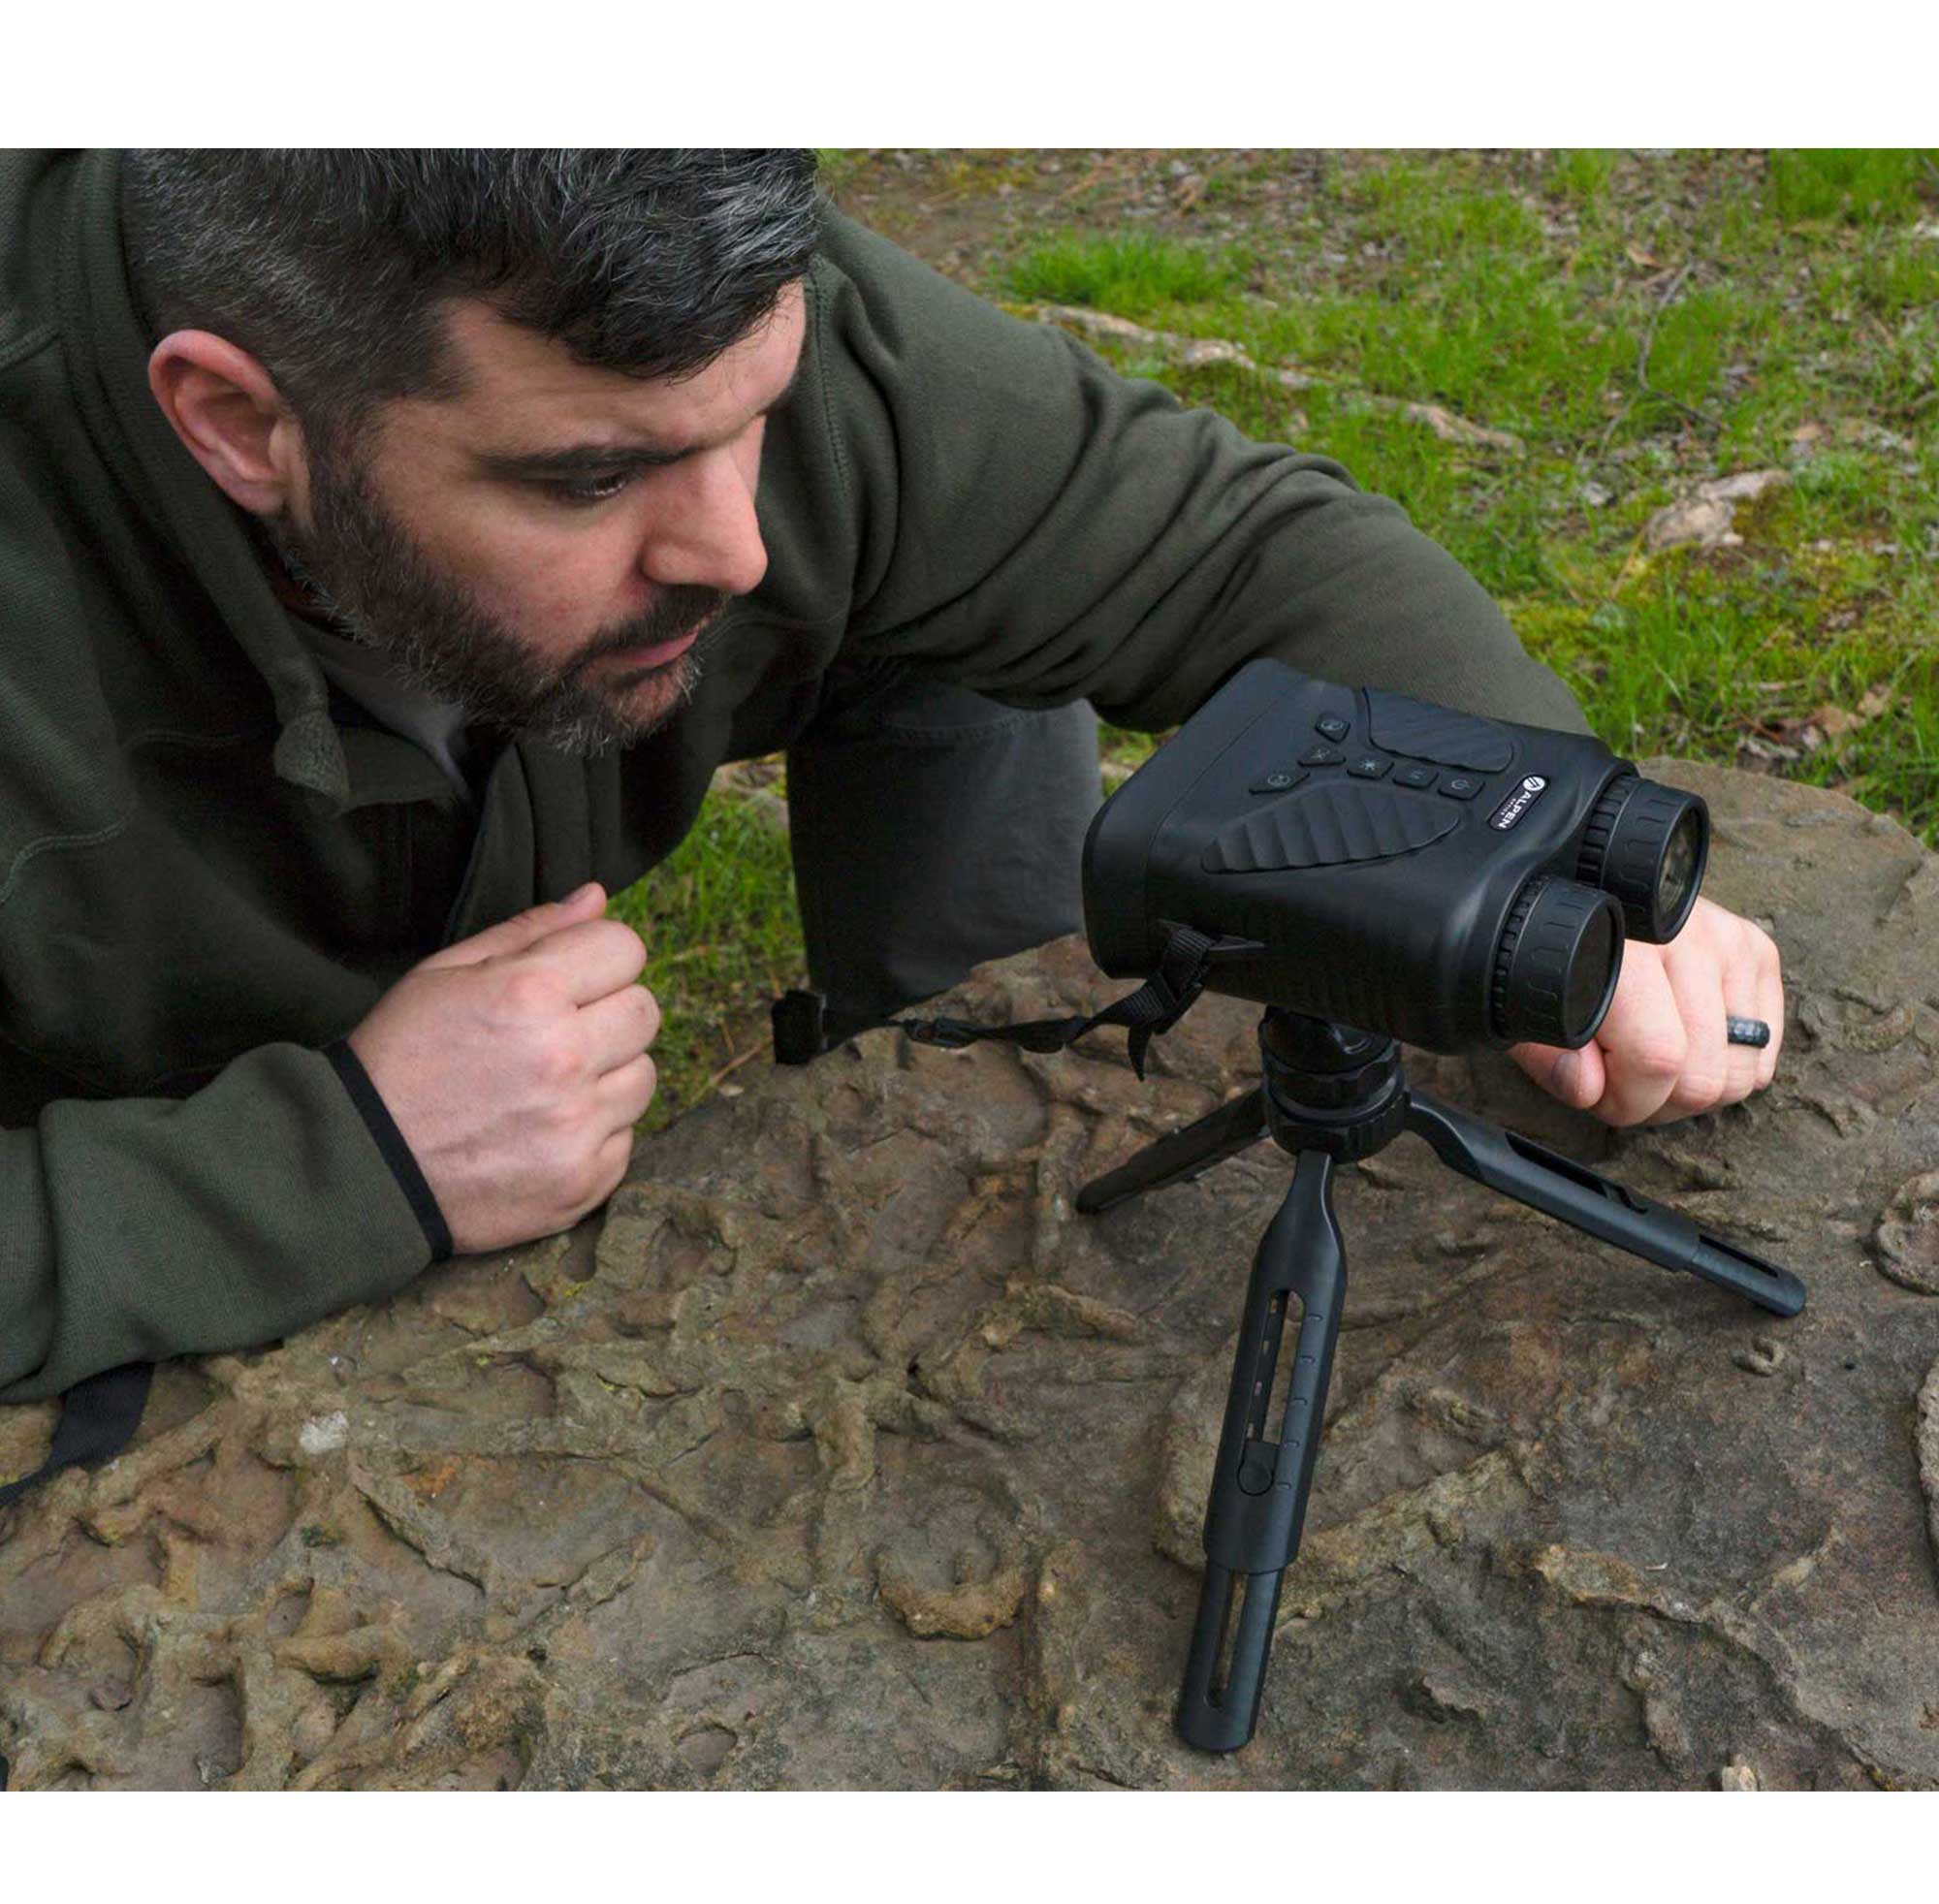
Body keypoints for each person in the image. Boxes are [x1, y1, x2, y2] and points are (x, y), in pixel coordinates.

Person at [0, 149, 1783, 1445]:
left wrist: (1529, 826)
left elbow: (1237, 551)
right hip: (149, 1138)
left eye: (757, 410)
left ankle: (953, 1078)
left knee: (933, 589)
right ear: (238, 424)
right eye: (591, 475)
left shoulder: (691, 303)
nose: (732, 540)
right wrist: (341, 1159)